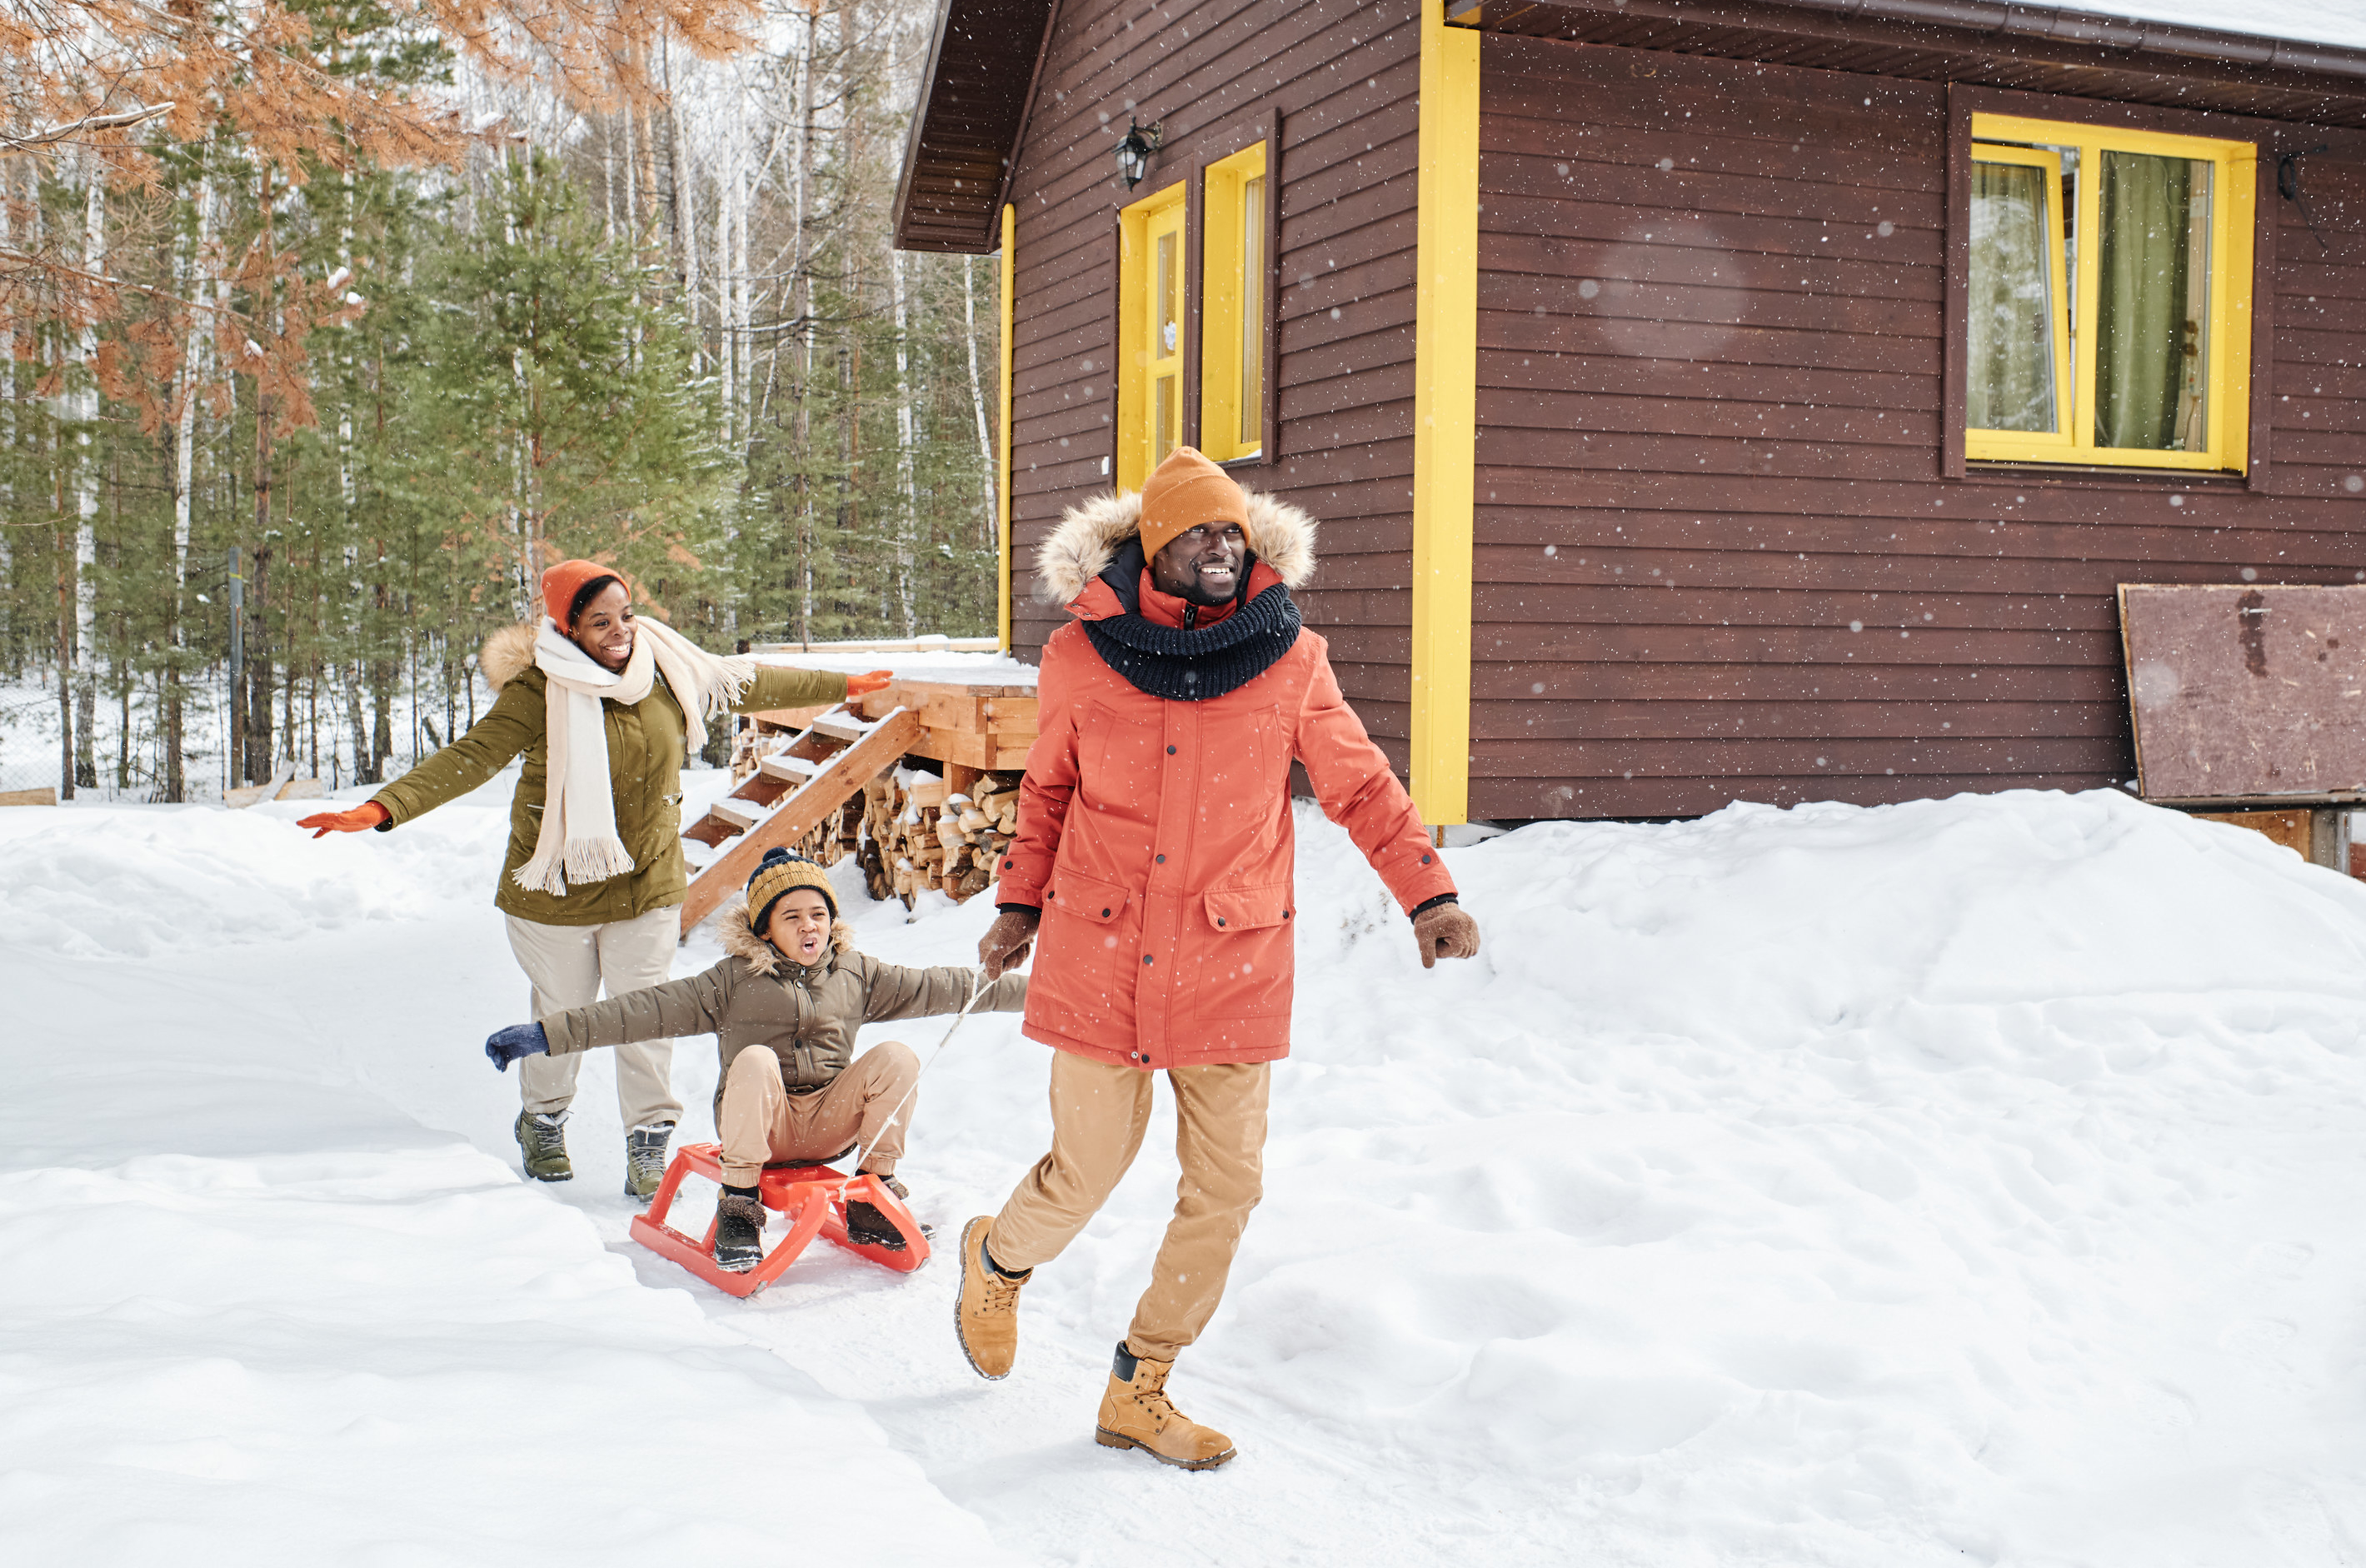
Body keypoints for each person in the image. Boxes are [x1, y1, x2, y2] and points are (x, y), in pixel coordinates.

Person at [956, 448, 1482, 1470]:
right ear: (1154, 544)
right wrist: (1019, 903)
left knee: (1226, 1188)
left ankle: (1141, 1383)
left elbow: (1363, 786)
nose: (1222, 546)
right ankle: (997, 1257)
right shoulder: (1079, 655)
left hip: (1232, 958)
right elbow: (1048, 793)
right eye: (1200, 531)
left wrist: (1430, 891)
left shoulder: (1293, 658)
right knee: (1087, 1168)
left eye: (1234, 530)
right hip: (1101, 945)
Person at [298, 559, 890, 1197]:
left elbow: (743, 680)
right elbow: (472, 756)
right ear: (567, 626)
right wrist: (384, 808)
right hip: (555, 892)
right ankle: (544, 1120)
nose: (619, 632)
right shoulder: (538, 691)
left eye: (625, 615)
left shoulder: (665, 667)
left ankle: (647, 1140)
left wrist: (843, 683)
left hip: (648, 884)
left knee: (649, 1013)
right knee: (567, 1013)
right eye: (599, 621)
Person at [484, 848, 1026, 1266]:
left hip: (829, 1126)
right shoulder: (730, 982)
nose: (809, 925)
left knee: (897, 1057)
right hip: (759, 1130)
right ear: (764, 926)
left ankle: (871, 1196)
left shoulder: (858, 974)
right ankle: (739, 1208)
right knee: (755, 1061)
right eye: (792, 916)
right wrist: (544, 1036)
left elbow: (949, 986)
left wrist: (1040, 997)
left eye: (818, 913)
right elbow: (638, 1011)